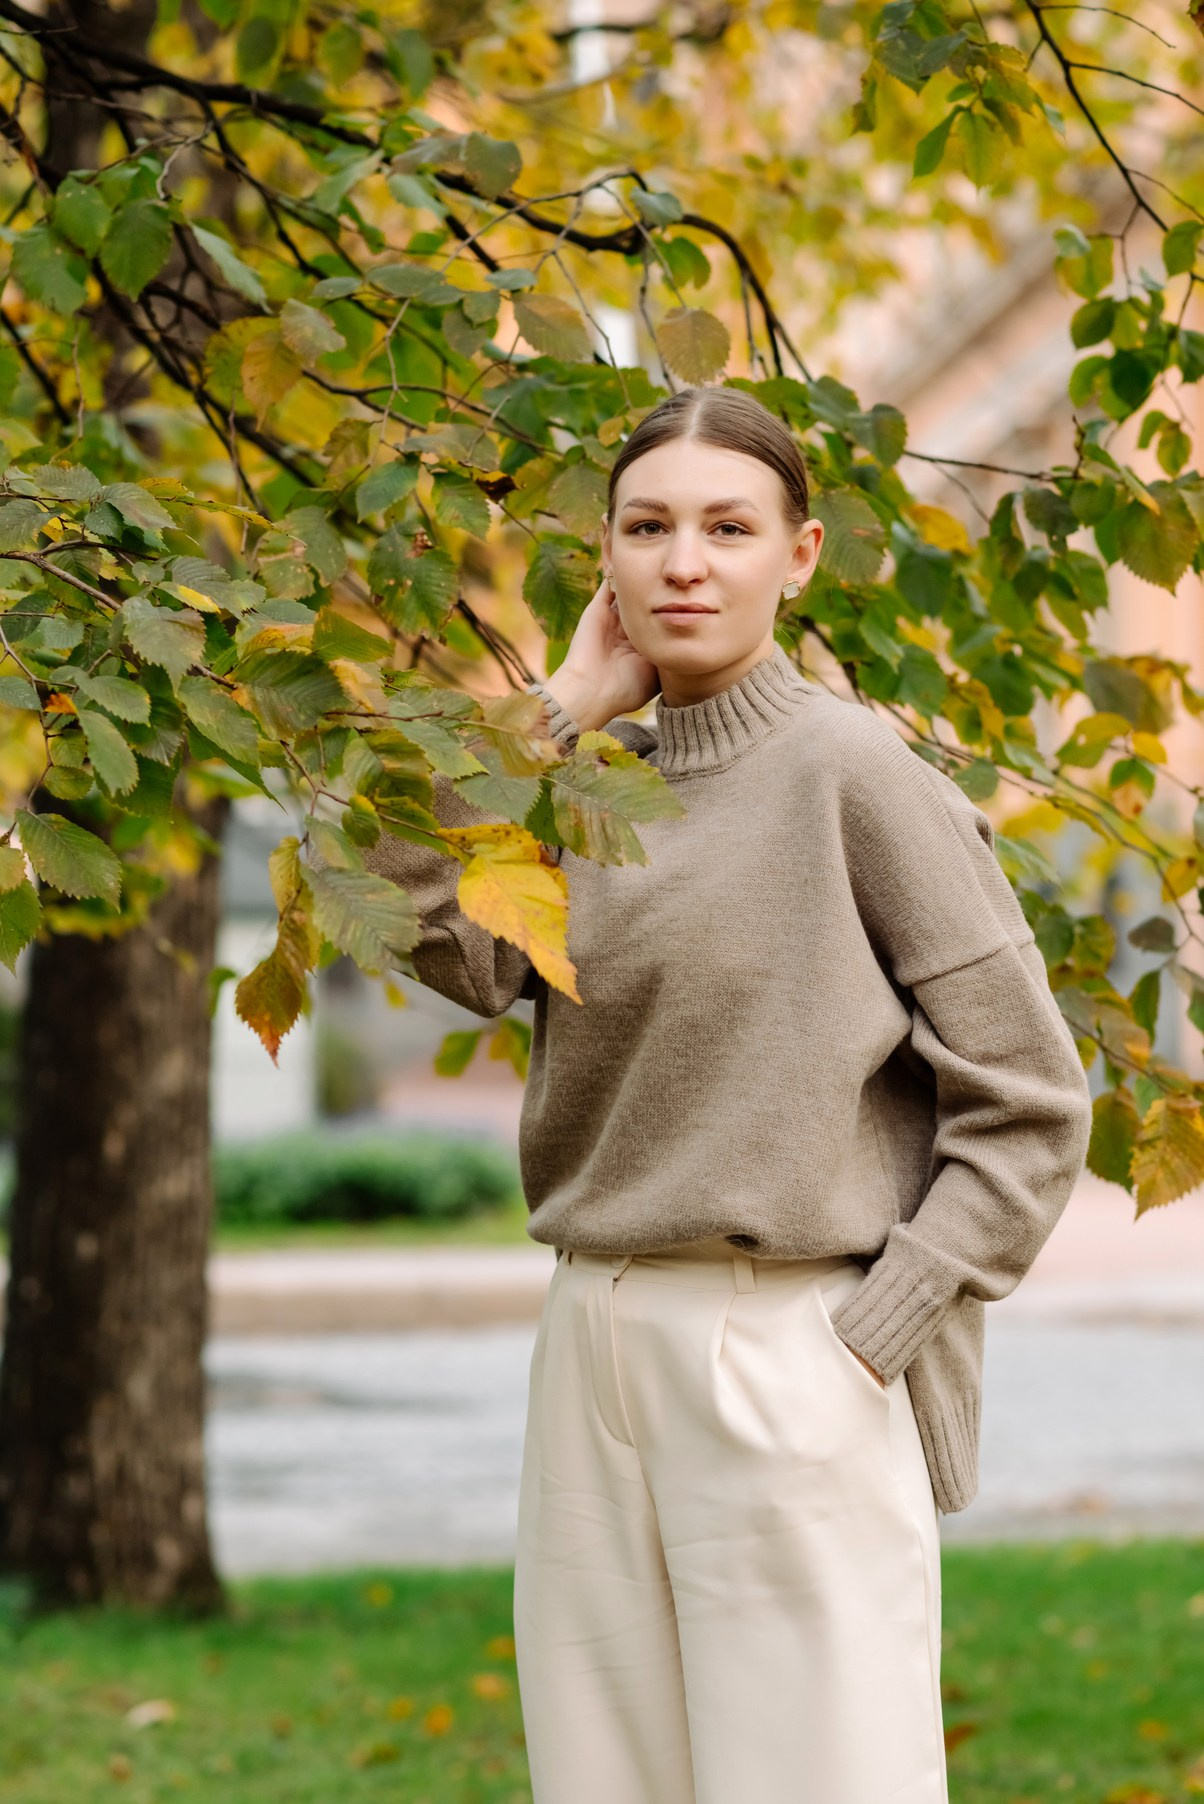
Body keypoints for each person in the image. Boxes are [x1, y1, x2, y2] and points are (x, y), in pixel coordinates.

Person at [353, 385, 1093, 1804]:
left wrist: (870, 1334)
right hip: (591, 1340)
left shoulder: (852, 771)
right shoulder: (590, 789)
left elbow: (1032, 1097)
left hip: (792, 1346)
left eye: (727, 527)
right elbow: (402, 905)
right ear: (610, 566)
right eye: (649, 528)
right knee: (605, 1777)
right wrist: (563, 707)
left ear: (799, 553)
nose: (685, 561)